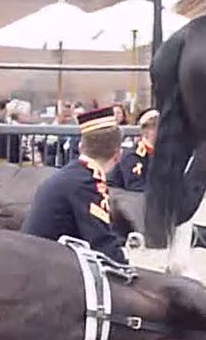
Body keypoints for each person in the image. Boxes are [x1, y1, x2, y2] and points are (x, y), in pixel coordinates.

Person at [21, 106, 129, 264]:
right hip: (43, 268)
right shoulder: (87, 182)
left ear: (80, 147)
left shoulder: (74, 173)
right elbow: (101, 243)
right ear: (118, 155)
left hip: (36, 258)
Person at [107, 108, 158, 191]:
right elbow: (135, 186)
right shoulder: (132, 156)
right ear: (146, 131)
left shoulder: (164, 153)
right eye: (155, 127)